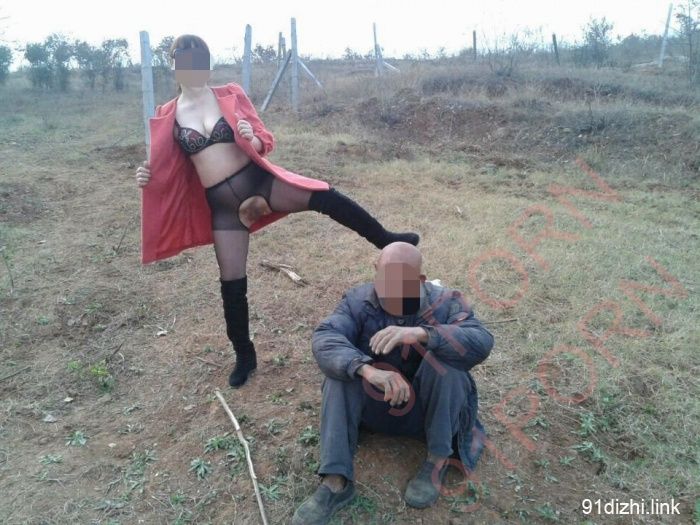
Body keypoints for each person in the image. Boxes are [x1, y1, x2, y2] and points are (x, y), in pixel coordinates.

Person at [135, 35, 419, 388]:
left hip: (260, 183)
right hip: (223, 207)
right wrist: (146, 175)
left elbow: (263, 139)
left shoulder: (230, 94)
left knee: (323, 195)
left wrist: (250, 138)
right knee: (231, 282)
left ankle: (384, 238)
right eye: (185, 61)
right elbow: (166, 168)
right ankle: (244, 355)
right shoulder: (167, 114)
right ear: (175, 66)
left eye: (199, 60)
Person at [292, 242, 494, 525]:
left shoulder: (446, 302)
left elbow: (481, 341)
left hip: (427, 414)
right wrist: (366, 370)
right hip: (376, 407)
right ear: (375, 269)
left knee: (449, 367)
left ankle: (437, 461)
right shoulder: (357, 301)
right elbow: (325, 338)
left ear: (420, 280)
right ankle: (335, 481)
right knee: (342, 372)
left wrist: (424, 334)